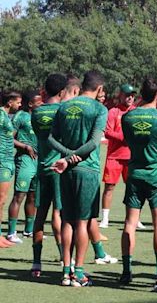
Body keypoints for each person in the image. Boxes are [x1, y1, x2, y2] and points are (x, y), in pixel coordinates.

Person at [49, 70, 110, 287]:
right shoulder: (99, 109)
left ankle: (66, 271)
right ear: (100, 89)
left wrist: (66, 155)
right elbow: (94, 143)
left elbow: (50, 138)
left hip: (66, 170)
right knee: (82, 223)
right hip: (87, 170)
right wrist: (73, 157)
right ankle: (79, 273)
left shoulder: (64, 106)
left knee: (67, 219)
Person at [119, 79, 157, 289]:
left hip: (135, 175)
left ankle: (126, 271)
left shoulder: (128, 117)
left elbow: (128, 141)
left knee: (129, 223)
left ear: (141, 93)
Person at [30, 74, 68, 277]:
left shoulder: (36, 113)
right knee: (59, 215)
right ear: (62, 92)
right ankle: (64, 258)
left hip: (42, 167)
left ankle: (36, 263)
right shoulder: (62, 111)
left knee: (40, 216)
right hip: (59, 170)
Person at [99, 84, 143, 229]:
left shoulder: (137, 112)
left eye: (132, 95)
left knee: (134, 189)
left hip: (132, 157)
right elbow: (107, 132)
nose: (130, 97)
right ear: (121, 95)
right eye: (127, 94)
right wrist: (125, 138)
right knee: (109, 187)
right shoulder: (113, 112)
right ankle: (105, 218)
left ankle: (134, 219)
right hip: (114, 156)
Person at [6, 91, 42, 243]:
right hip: (25, 160)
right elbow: (9, 137)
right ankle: (11, 232)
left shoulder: (40, 117)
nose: (42, 104)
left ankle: (28, 230)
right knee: (19, 195)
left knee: (33, 196)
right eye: (39, 102)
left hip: (38, 161)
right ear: (30, 104)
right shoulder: (21, 117)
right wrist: (25, 147)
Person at [0, 92, 22, 239]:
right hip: (2, 160)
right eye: (18, 102)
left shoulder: (7, 117)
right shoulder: (1, 115)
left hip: (8, 159)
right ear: (9, 102)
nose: (20, 105)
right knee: (1, 199)